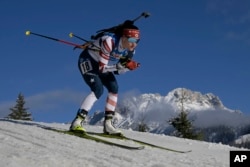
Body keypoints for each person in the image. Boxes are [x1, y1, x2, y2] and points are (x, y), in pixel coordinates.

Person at [70, 24, 141, 134]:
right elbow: (102, 69)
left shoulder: (130, 51)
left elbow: (118, 72)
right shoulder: (109, 41)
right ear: (123, 37)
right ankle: (77, 122)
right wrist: (119, 66)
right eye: (132, 39)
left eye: (137, 40)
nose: (134, 43)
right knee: (98, 90)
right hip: (88, 60)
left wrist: (127, 68)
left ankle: (108, 125)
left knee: (114, 88)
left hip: (103, 65)